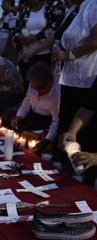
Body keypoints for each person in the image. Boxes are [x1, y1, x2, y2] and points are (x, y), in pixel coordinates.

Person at [53, 0, 97, 142]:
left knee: (82, 127)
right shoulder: (78, 8)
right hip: (70, 75)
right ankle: (62, 157)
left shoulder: (94, 5)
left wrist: (69, 55)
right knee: (66, 121)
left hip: (86, 76)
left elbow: (95, 39)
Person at [15, 0, 66, 90]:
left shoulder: (55, 5)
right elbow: (17, 28)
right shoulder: (24, 8)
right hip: (26, 55)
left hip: (46, 55)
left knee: (43, 86)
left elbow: (57, 28)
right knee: (27, 85)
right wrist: (20, 37)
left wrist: (35, 37)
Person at [11, 63, 60, 152]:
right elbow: (27, 101)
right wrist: (18, 116)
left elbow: (56, 121)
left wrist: (48, 139)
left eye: (39, 88)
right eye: (33, 87)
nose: (37, 92)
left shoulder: (57, 95)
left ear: (49, 81)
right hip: (33, 116)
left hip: (46, 122)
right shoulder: (34, 84)